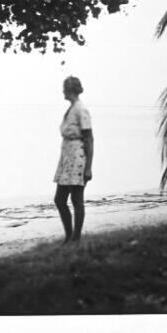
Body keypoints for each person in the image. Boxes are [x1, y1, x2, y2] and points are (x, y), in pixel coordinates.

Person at [54, 76, 93, 244]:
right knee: (59, 199)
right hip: (67, 158)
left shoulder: (81, 109)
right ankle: (69, 236)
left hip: (77, 158)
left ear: (70, 90)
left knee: (77, 199)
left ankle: (75, 238)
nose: (62, 91)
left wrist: (88, 167)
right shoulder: (72, 108)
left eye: (64, 88)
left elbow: (89, 139)